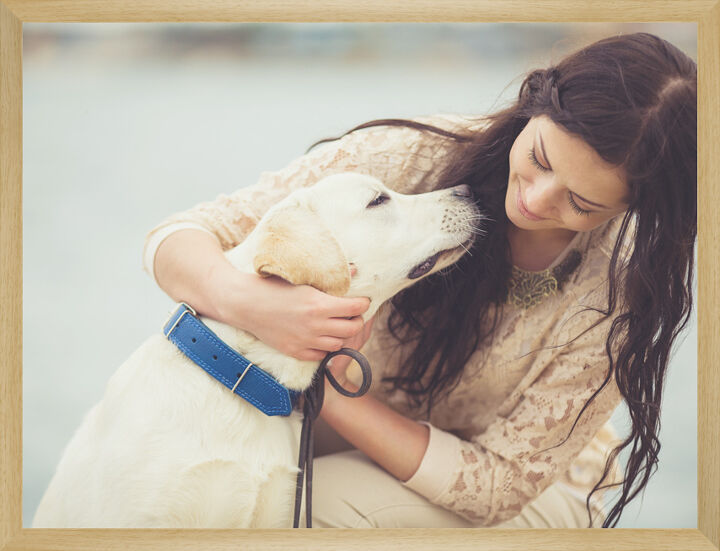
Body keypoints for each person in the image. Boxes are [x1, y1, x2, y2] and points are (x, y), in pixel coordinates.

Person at [142, 32, 697, 528]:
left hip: (526, 497)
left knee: (292, 507)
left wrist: (320, 378)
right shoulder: (414, 158)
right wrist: (249, 305)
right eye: (540, 159)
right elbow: (181, 235)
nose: (533, 200)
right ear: (534, 102)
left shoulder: (620, 286)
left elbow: (497, 487)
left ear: (634, 207)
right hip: (337, 440)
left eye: (580, 202)